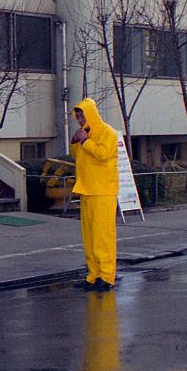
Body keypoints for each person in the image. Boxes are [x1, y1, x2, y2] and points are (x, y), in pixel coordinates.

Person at [70, 98, 119, 292]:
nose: (80, 118)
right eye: (78, 115)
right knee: (89, 237)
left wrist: (85, 141)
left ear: (91, 112)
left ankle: (106, 276)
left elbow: (103, 154)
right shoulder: (85, 133)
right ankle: (93, 275)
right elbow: (77, 155)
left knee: (103, 236)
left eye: (82, 114)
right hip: (87, 189)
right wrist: (77, 141)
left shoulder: (108, 132)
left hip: (103, 191)